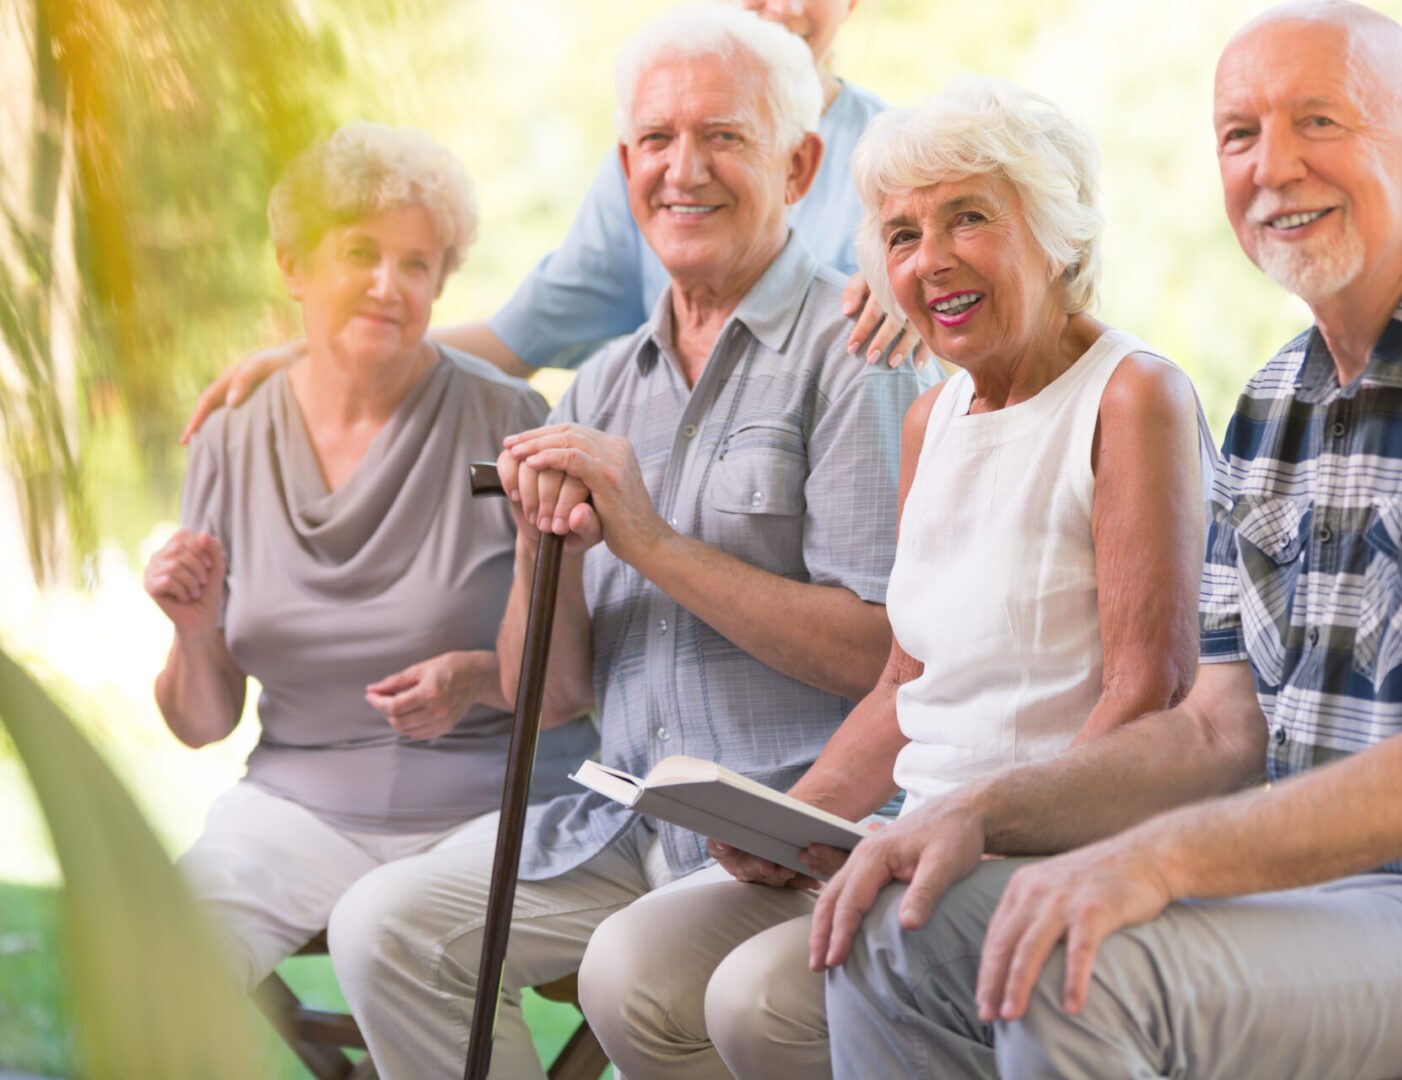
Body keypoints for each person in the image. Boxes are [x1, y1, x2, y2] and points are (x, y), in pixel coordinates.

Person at [813, 4, 1402, 1078]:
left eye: (1318, 122)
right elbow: (1212, 736)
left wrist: (1148, 859)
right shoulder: (1278, 398)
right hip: (1340, 911)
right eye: (1240, 134)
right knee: (894, 922)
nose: (1274, 166)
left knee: (1073, 967)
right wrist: (974, 816)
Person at [313, 8, 935, 1077]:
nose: (682, 170)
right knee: (384, 929)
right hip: (623, 828)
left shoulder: (858, 353)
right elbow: (547, 696)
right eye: (657, 140)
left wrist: (644, 539)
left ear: (799, 163)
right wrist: (536, 548)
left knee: (637, 978)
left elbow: (879, 652)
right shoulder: (600, 384)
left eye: (723, 138)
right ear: (625, 162)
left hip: (795, 834)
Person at [574, 77, 1217, 1080]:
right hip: (904, 831)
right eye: (903, 234)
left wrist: (997, 833)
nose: (933, 260)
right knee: (631, 966)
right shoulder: (933, 418)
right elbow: (903, 681)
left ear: (1055, 233)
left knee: (762, 1001)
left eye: (970, 219)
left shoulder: (1133, 397)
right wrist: (801, 823)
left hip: (1040, 851)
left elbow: (1148, 695)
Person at [142, 122, 595, 991]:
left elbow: (566, 677)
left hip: (485, 807)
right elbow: (202, 723)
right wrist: (196, 632)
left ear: (442, 279)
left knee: (389, 939)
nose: (388, 286)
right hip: (293, 811)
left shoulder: (507, 421)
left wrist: (471, 677)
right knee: (161, 961)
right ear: (294, 265)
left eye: (417, 263)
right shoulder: (229, 437)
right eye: (360, 253)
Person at [177, 0, 919, 445]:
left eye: (725, 138)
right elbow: (514, 339)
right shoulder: (651, 171)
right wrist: (332, 353)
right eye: (661, 141)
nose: (781, 3)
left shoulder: (906, 163)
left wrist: (926, 302)